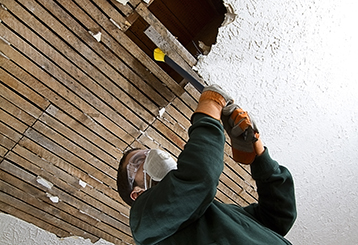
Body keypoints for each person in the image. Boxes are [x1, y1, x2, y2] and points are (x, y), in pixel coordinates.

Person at [117, 85, 297, 245]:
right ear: (137, 193)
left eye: (148, 152)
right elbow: (200, 176)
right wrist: (209, 108)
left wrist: (258, 153)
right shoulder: (145, 223)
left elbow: (278, 218)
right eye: (138, 161)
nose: (151, 155)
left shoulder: (216, 213)